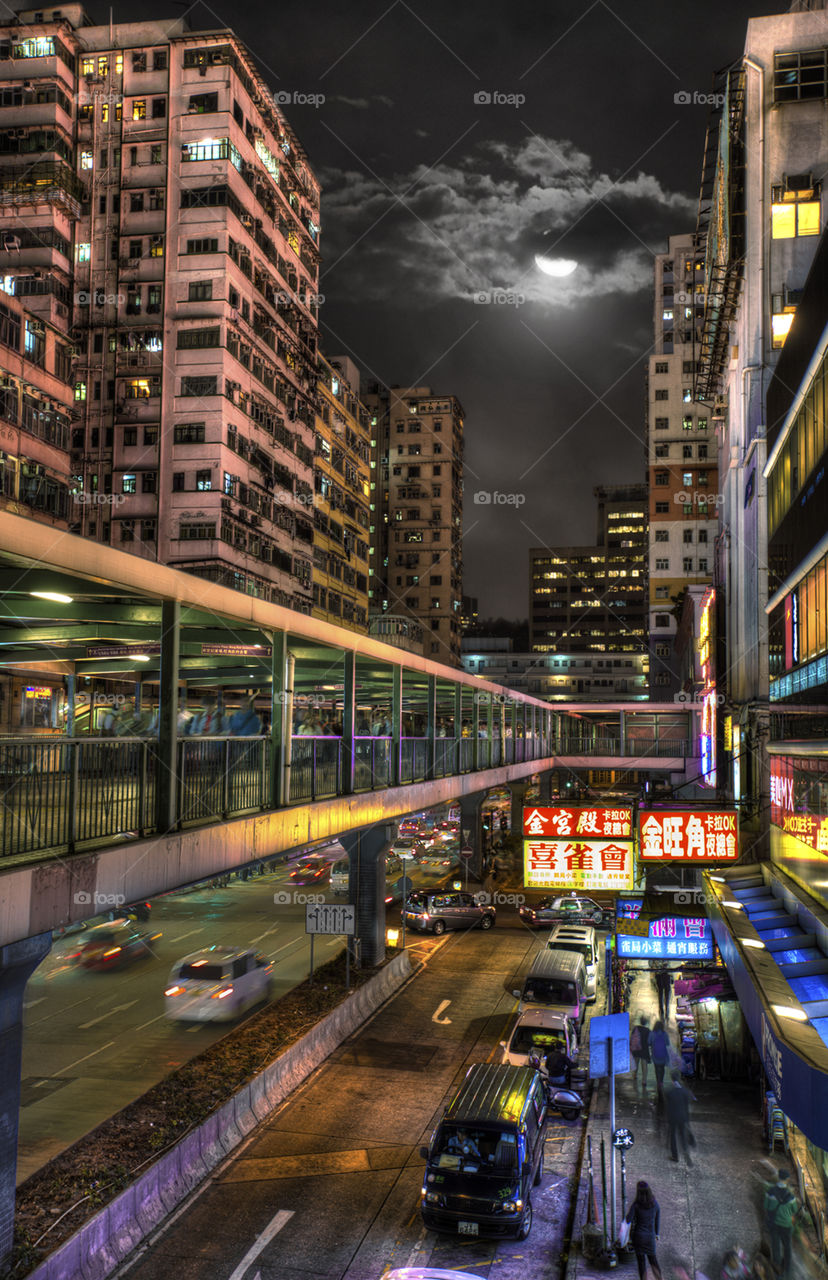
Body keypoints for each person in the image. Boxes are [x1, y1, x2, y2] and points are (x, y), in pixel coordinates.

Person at [764, 1168, 806, 1279]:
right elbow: (794, 1210)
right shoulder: (791, 1197)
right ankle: (787, 1270)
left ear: (778, 1177)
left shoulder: (770, 1192)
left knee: (775, 1246)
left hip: (773, 1224)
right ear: (787, 1179)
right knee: (787, 1247)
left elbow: (766, 1207)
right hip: (786, 1226)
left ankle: (777, 1269)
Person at [624, 1180, 663, 1280]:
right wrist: (657, 1234)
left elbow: (628, 1219)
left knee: (641, 1263)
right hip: (650, 1238)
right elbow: (657, 1220)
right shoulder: (655, 1204)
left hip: (638, 1237)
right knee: (653, 1260)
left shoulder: (636, 1205)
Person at [665, 1079, 695, 1167]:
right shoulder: (686, 1092)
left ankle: (675, 1156)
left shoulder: (669, 1092)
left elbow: (668, 1106)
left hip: (673, 1117)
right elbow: (687, 1105)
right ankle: (686, 1152)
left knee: (673, 1137)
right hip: (683, 1117)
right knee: (682, 1135)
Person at [650, 1019, 671, 1100]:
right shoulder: (665, 1034)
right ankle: (661, 1081)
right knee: (662, 1069)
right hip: (663, 1055)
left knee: (656, 1068)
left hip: (655, 1055)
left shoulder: (652, 1034)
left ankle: (658, 1081)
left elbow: (649, 1041)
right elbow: (668, 1043)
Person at [630, 1015, 651, 1091]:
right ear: (646, 1023)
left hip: (636, 1049)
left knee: (636, 1063)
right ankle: (644, 1080)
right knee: (644, 1065)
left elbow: (632, 1038)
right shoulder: (648, 1031)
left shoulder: (636, 1028)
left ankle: (634, 1075)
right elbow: (650, 1041)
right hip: (644, 1050)